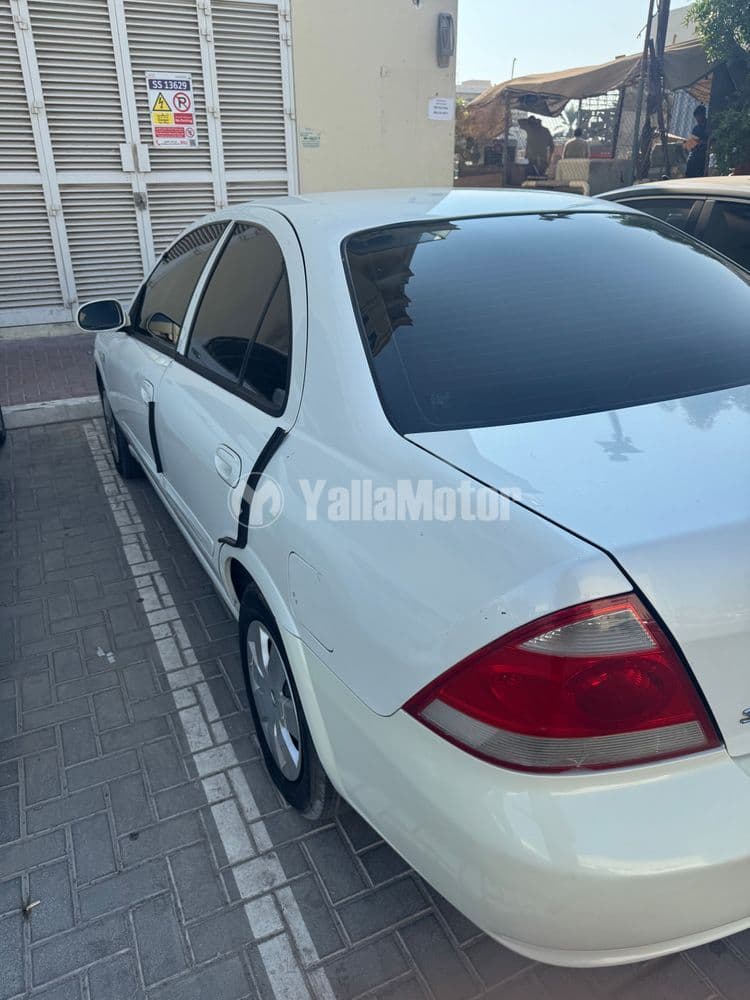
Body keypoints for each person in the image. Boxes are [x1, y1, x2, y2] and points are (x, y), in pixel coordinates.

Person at [684, 105, 708, 178]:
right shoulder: (696, 128)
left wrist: (702, 142)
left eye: (698, 116)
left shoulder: (709, 126)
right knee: (690, 162)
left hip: (705, 154)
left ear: (703, 115)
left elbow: (711, 141)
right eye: (696, 117)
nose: (697, 119)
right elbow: (691, 144)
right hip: (696, 154)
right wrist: (687, 144)